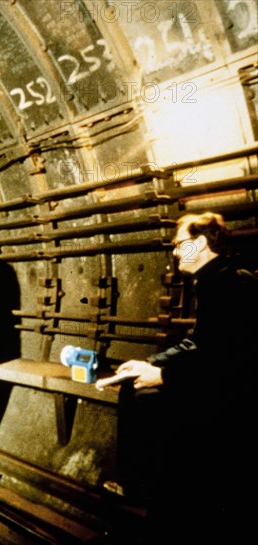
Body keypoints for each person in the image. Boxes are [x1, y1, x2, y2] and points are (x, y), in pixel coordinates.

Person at [106, 212, 258, 543]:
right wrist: (149, 362)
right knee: (136, 386)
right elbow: (198, 343)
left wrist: (162, 376)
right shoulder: (215, 279)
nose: (175, 252)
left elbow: (228, 361)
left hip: (236, 399)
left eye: (180, 245)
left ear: (201, 243)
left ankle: (149, 493)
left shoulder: (230, 283)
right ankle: (145, 489)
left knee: (145, 398)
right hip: (219, 383)